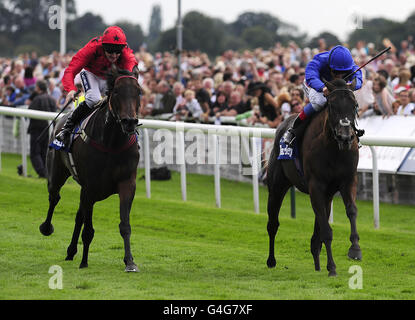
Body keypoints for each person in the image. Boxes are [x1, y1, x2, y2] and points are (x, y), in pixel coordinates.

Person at [56, 26, 138, 146]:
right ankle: (67, 129)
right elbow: (71, 70)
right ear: (104, 47)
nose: (114, 55)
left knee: (123, 100)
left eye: (117, 51)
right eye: (110, 50)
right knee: (93, 99)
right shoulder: (92, 48)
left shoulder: (126, 55)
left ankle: (132, 133)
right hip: (91, 74)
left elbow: (129, 77)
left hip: (111, 77)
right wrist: (70, 90)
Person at [282, 45, 363, 145]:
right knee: (320, 102)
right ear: (329, 65)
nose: (339, 76)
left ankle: (353, 131)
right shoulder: (317, 62)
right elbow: (311, 77)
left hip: (334, 87)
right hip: (314, 84)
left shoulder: (349, 64)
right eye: (336, 72)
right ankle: (293, 130)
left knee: (348, 100)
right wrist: (322, 87)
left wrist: (354, 85)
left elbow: (358, 78)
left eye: (343, 73)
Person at [27, 80, 57, 178]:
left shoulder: (37, 99)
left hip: (36, 129)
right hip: (48, 129)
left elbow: (29, 111)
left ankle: (42, 173)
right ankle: (47, 172)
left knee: (35, 153)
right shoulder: (52, 99)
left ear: (38, 88)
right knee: (44, 152)